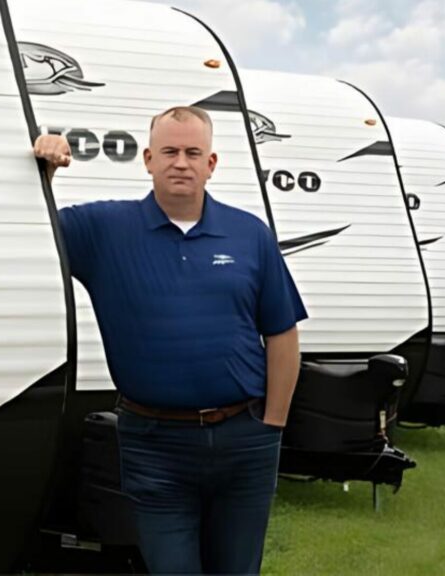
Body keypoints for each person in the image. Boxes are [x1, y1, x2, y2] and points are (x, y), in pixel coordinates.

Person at [34, 106, 306, 575]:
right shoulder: (103, 229)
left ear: (211, 164)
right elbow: (32, 232)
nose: (181, 162)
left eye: (193, 152)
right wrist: (44, 172)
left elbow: (282, 333)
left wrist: (273, 426)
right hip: (153, 442)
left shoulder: (249, 235)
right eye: (170, 152)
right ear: (148, 159)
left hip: (245, 438)